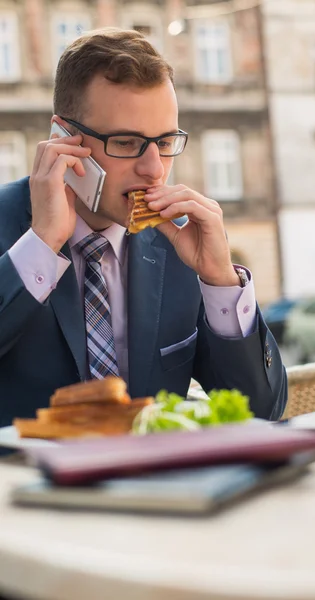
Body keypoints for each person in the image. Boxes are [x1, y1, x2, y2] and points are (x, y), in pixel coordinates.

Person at [0, 27, 287, 427]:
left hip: (156, 486)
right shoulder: (7, 224)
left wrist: (221, 281)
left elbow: (264, 411)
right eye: (125, 142)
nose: (154, 169)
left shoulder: (180, 244)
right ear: (63, 138)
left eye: (165, 141)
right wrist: (42, 243)